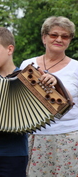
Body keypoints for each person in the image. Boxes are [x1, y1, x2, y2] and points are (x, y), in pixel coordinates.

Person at [0, 27, 58, 177]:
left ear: (9, 49)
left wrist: (53, 82)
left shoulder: (30, 80)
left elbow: (56, 101)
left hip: (14, 154)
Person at [20, 16, 78, 176]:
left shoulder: (76, 68)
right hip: (35, 136)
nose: (59, 39)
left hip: (69, 136)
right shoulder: (27, 65)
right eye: (54, 35)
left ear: (69, 40)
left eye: (65, 36)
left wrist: (57, 85)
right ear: (44, 37)